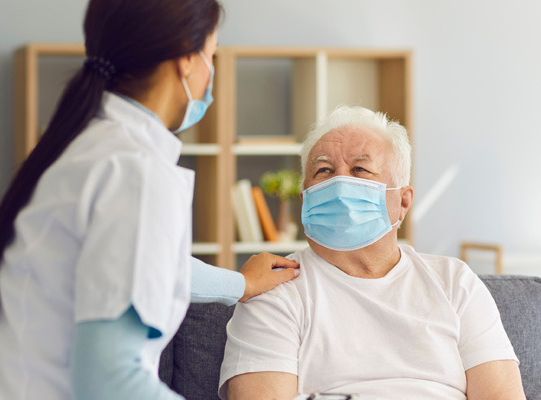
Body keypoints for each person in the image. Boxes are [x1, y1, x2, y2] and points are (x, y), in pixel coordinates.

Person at [0, 0, 299, 399]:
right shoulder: (135, 171)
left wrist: (240, 284)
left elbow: (140, 265)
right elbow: (111, 381)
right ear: (186, 60)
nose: (211, 72)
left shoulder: (80, 148)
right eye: (211, 55)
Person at [218, 106, 525, 400]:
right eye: (323, 170)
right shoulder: (273, 288)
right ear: (304, 198)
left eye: (360, 169)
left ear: (403, 202)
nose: (340, 182)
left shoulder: (455, 282)